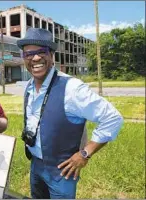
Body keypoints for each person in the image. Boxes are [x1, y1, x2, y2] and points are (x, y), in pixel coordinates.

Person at [17, 28, 124, 199]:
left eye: (41, 52)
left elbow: (112, 118)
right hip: (36, 165)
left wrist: (85, 153)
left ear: (51, 55)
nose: (35, 58)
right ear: (24, 58)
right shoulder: (29, 87)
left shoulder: (72, 88)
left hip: (62, 172)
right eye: (29, 54)